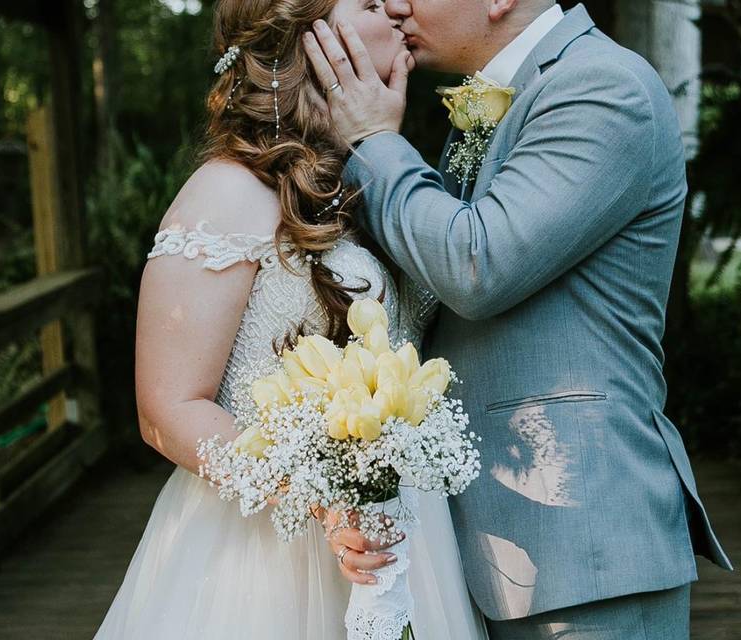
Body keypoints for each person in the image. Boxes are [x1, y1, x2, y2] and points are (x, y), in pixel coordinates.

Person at [303, 1, 734, 638]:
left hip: (579, 544)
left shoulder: (600, 87)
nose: (393, 4)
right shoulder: (501, 96)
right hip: (490, 544)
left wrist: (373, 141)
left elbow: (475, 265)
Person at [93, 1, 485, 638]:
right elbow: (166, 408)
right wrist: (321, 499)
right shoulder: (226, 191)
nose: (398, 8)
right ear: (311, 38)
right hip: (267, 555)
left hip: (408, 537)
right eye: (370, 2)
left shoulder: (375, 181)